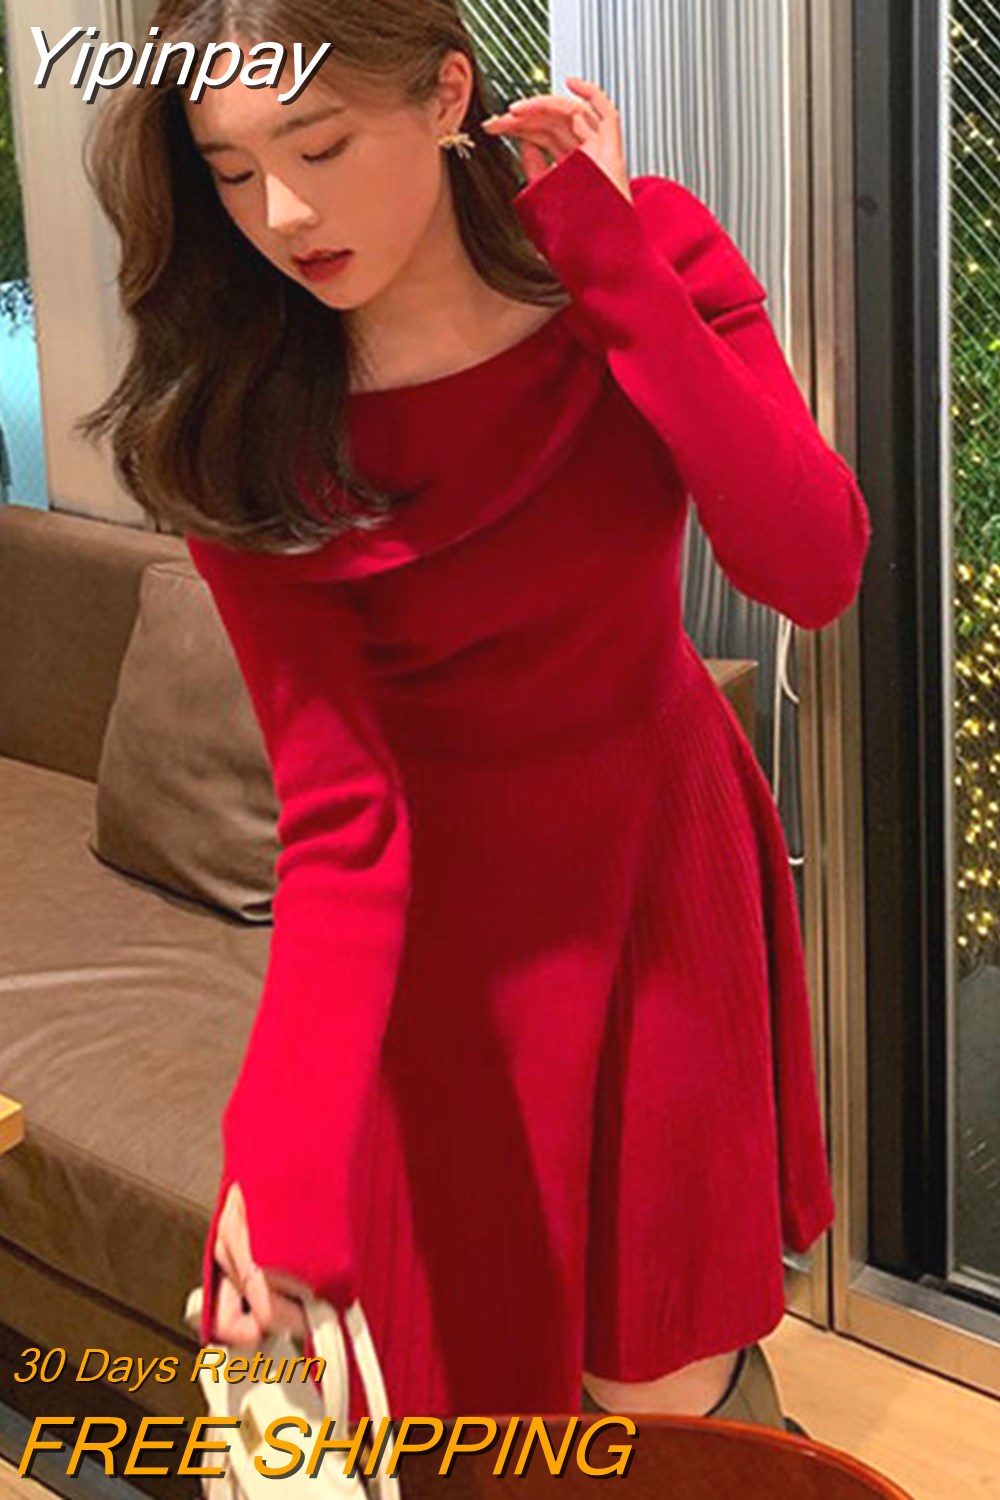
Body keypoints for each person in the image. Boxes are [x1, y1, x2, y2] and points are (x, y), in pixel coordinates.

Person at [77, 0, 871, 1430]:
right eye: (234, 172)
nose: (283, 214)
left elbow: (809, 564)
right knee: (455, 1399)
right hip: (437, 937)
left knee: (660, 1387)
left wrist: (617, 271)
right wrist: (281, 1173)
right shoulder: (243, 428)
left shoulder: (646, 248)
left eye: (319, 146)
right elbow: (341, 816)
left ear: (447, 96)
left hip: (655, 871)